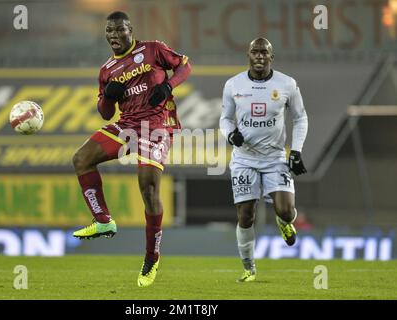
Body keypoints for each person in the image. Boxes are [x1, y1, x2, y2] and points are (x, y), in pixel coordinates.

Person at [72, 11, 191, 287]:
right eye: (109, 32)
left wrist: (168, 86)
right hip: (127, 125)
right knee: (81, 158)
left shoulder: (152, 49)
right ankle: (102, 220)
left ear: (130, 30)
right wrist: (109, 98)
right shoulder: (106, 71)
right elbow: (104, 113)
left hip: (156, 125)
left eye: (119, 30)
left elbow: (185, 65)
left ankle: (152, 257)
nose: (114, 36)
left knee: (148, 188)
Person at [219, 38, 308, 282]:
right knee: (246, 215)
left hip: (275, 158)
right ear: (248, 55)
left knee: (286, 211)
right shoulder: (233, 84)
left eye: (264, 53)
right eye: (255, 52)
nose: (259, 56)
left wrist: (296, 151)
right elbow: (225, 119)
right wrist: (231, 134)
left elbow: (300, 118)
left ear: (271, 57)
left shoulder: (287, 84)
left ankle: (284, 221)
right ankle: (249, 268)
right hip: (244, 159)